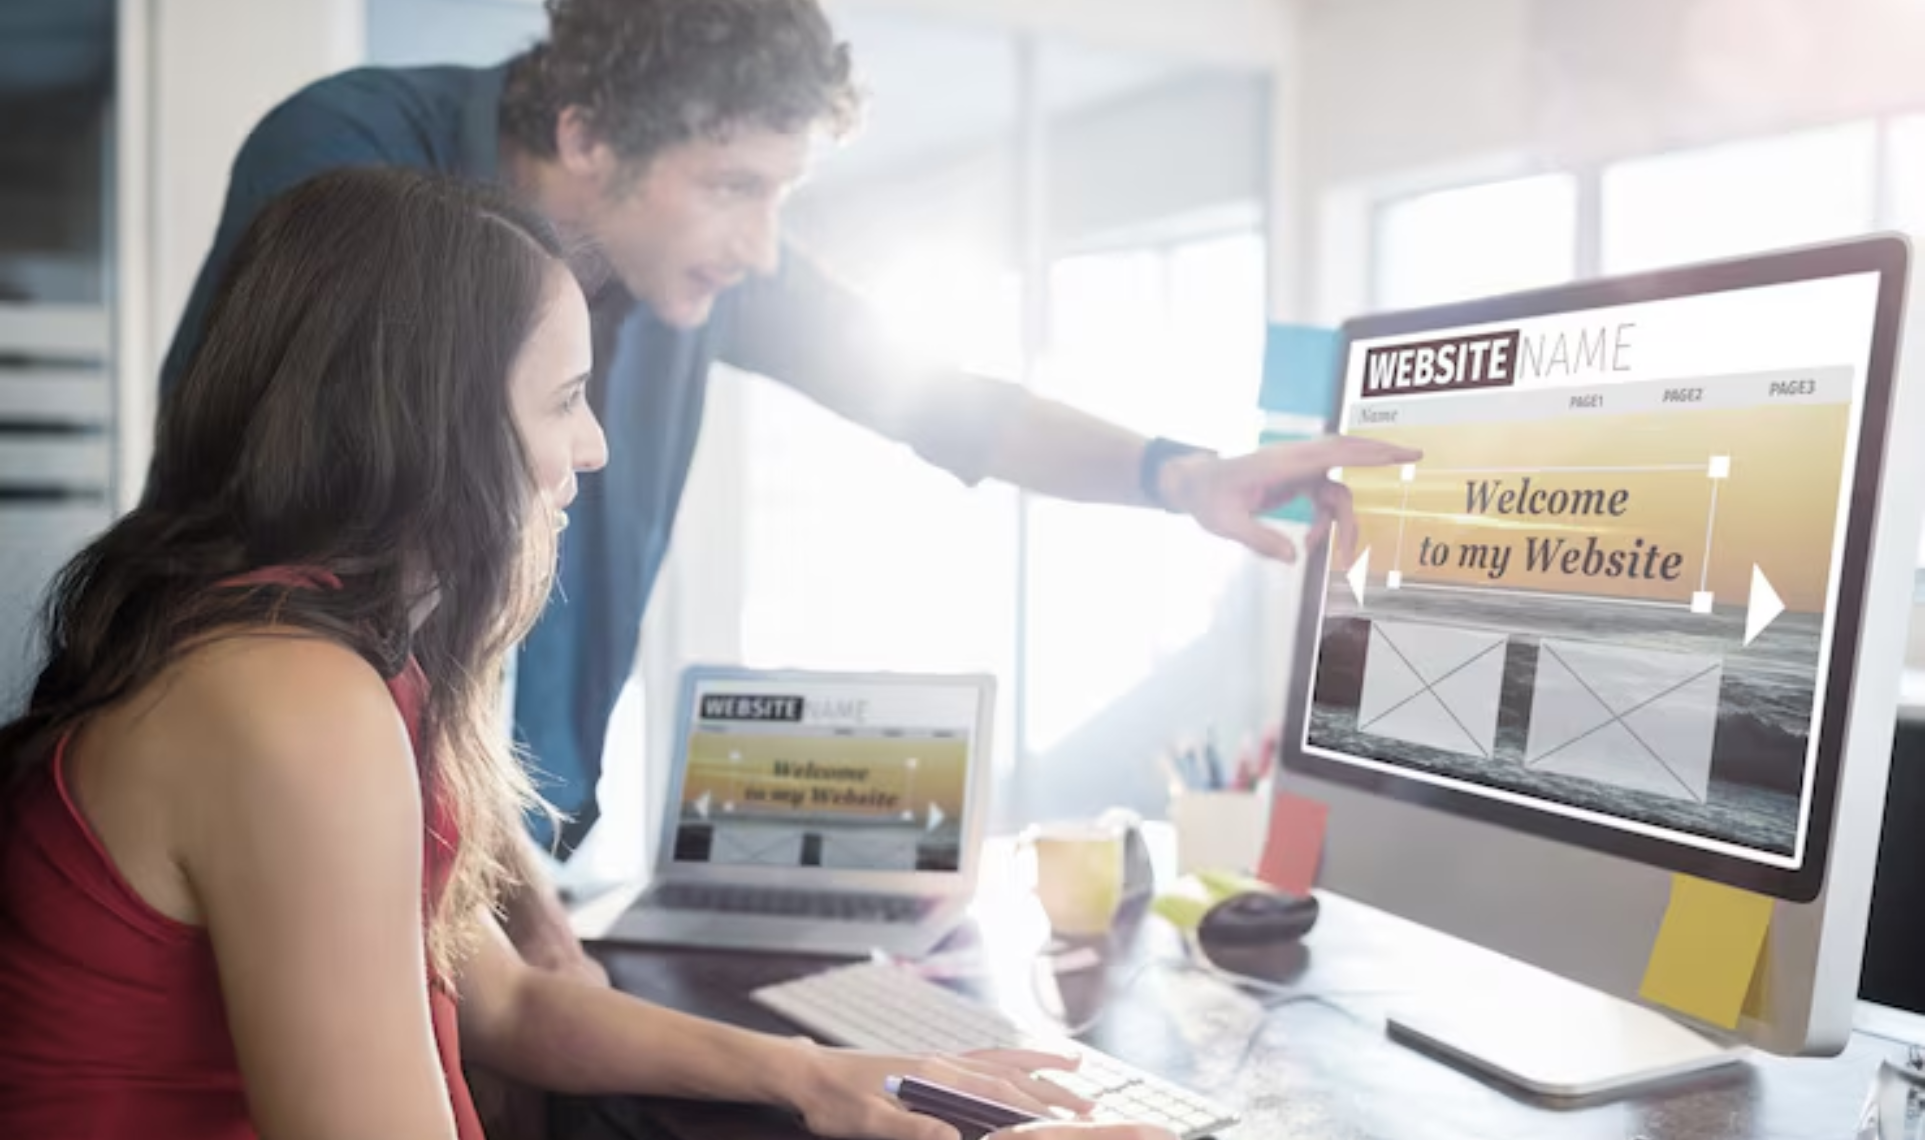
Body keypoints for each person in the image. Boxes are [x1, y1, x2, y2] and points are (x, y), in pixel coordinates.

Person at [157, 0, 1419, 983]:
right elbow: (288, 538)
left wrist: (1179, 475)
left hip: (502, 838)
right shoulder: (353, 164)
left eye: (781, 194)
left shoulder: (692, 261)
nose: (762, 246)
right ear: (588, 134)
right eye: (733, 186)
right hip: (303, 802)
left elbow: (935, 396)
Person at [0, 165, 1182, 1140]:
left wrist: (821, 1079)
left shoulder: (309, 656)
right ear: (437, 424)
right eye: (565, 396)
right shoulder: (288, 701)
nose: (598, 445)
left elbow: (493, 999)